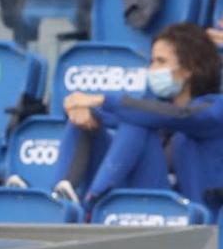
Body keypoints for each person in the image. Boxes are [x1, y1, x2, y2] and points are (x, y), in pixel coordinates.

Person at [50, 23, 223, 207]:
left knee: (136, 121)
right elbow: (120, 114)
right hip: (153, 201)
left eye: (161, 61)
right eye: (152, 61)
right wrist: (82, 110)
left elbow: (180, 115)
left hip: (196, 218)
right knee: (89, 119)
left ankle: (95, 201)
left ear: (190, 68)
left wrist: (100, 99)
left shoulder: (215, 109)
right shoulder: (156, 105)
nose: (152, 70)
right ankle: (59, 201)